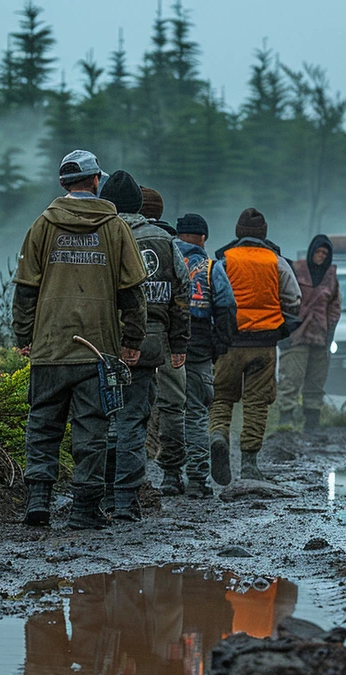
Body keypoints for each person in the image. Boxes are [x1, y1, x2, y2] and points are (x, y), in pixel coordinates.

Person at [12, 151, 148, 530]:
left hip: (50, 346)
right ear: (95, 181)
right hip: (96, 349)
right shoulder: (115, 226)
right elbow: (133, 292)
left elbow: (25, 288)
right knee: (92, 428)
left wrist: (25, 335)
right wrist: (132, 339)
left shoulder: (42, 224)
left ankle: (38, 501)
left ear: (62, 184)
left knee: (42, 424)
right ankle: (84, 510)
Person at [100, 174, 189, 520]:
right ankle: (125, 501)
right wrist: (178, 342)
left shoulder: (99, 234)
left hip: (102, 343)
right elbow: (182, 293)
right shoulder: (165, 241)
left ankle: (101, 496)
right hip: (150, 344)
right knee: (133, 423)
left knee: (103, 422)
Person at [209, 208, 301, 485]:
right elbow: (294, 298)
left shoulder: (224, 261)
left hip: (230, 342)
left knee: (222, 397)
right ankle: (249, 464)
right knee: (257, 403)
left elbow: (214, 296)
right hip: (264, 343)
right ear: (264, 233)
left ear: (238, 232)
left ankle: (217, 436)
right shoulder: (277, 261)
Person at [172, 213, 234, 497]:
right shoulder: (211, 267)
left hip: (162, 346)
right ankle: (197, 480)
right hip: (197, 350)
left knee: (168, 412)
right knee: (196, 414)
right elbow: (226, 310)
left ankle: (169, 478)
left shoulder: (162, 257)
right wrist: (219, 348)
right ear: (203, 238)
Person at [139, 187, 190, 494]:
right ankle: (171, 473)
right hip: (167, 337)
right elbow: (183, 294)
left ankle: (127, 475)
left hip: (123, 334)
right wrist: (180, 342)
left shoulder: (119, 235)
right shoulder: (171, 244)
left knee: (127, 404)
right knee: (172, 406)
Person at [276, 234, 340, 432]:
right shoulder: (296, 269)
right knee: (290, 379)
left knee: (316, 382)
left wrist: (329, 333)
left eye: (325, 253)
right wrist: (283, 331)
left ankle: (312, 424)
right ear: (312, 251)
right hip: (296, 335)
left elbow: (335, 307)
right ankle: (285, 422)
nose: (321, 256)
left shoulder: (330, 276)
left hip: (320, 336)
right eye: (318, 251)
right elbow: (282, 298)